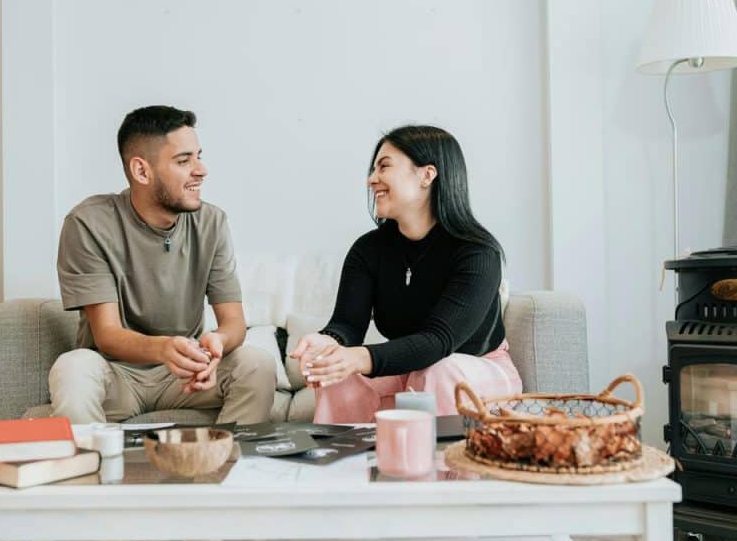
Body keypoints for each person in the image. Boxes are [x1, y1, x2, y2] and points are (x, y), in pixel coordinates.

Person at [50, 105, 275, 424]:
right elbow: (107, 334)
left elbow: (234, 322)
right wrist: (163, 349)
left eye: (198, 156)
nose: (201, 170)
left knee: (257, 364)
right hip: (118, 376)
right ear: (142, 171)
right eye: (184, 161)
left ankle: (226, 465)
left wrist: (217, 344)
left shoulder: (212, 223)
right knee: (72, 368)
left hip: (186, 379)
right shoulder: (88, 223)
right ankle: (91, 470)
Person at [290, 125, 521, 423]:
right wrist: (329, 343)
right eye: (373, 169)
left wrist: (359, 358)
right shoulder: (368, 250)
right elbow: (347, 325)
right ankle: (347, 465)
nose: (371, 180)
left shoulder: (477, 252)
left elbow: (438, 340)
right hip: (412, 368)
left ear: (427, 175)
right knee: (337, 372)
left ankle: (441, 469)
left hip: (478, 368)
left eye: (384, 166)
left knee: (441, 371)